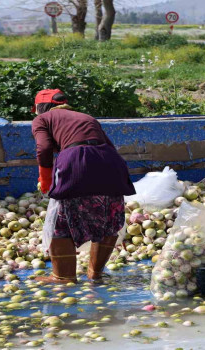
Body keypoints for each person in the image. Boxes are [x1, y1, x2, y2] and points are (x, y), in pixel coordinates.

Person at [31, 89, 135, 284]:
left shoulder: (42, 119)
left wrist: (45, 179)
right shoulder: (86, 117)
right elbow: (108, 145)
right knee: (108, 216)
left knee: (61, 219)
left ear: (39, 108)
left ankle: (63, 277)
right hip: (111, 162)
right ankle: (95, 274)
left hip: (76, 162)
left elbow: (44, 148)